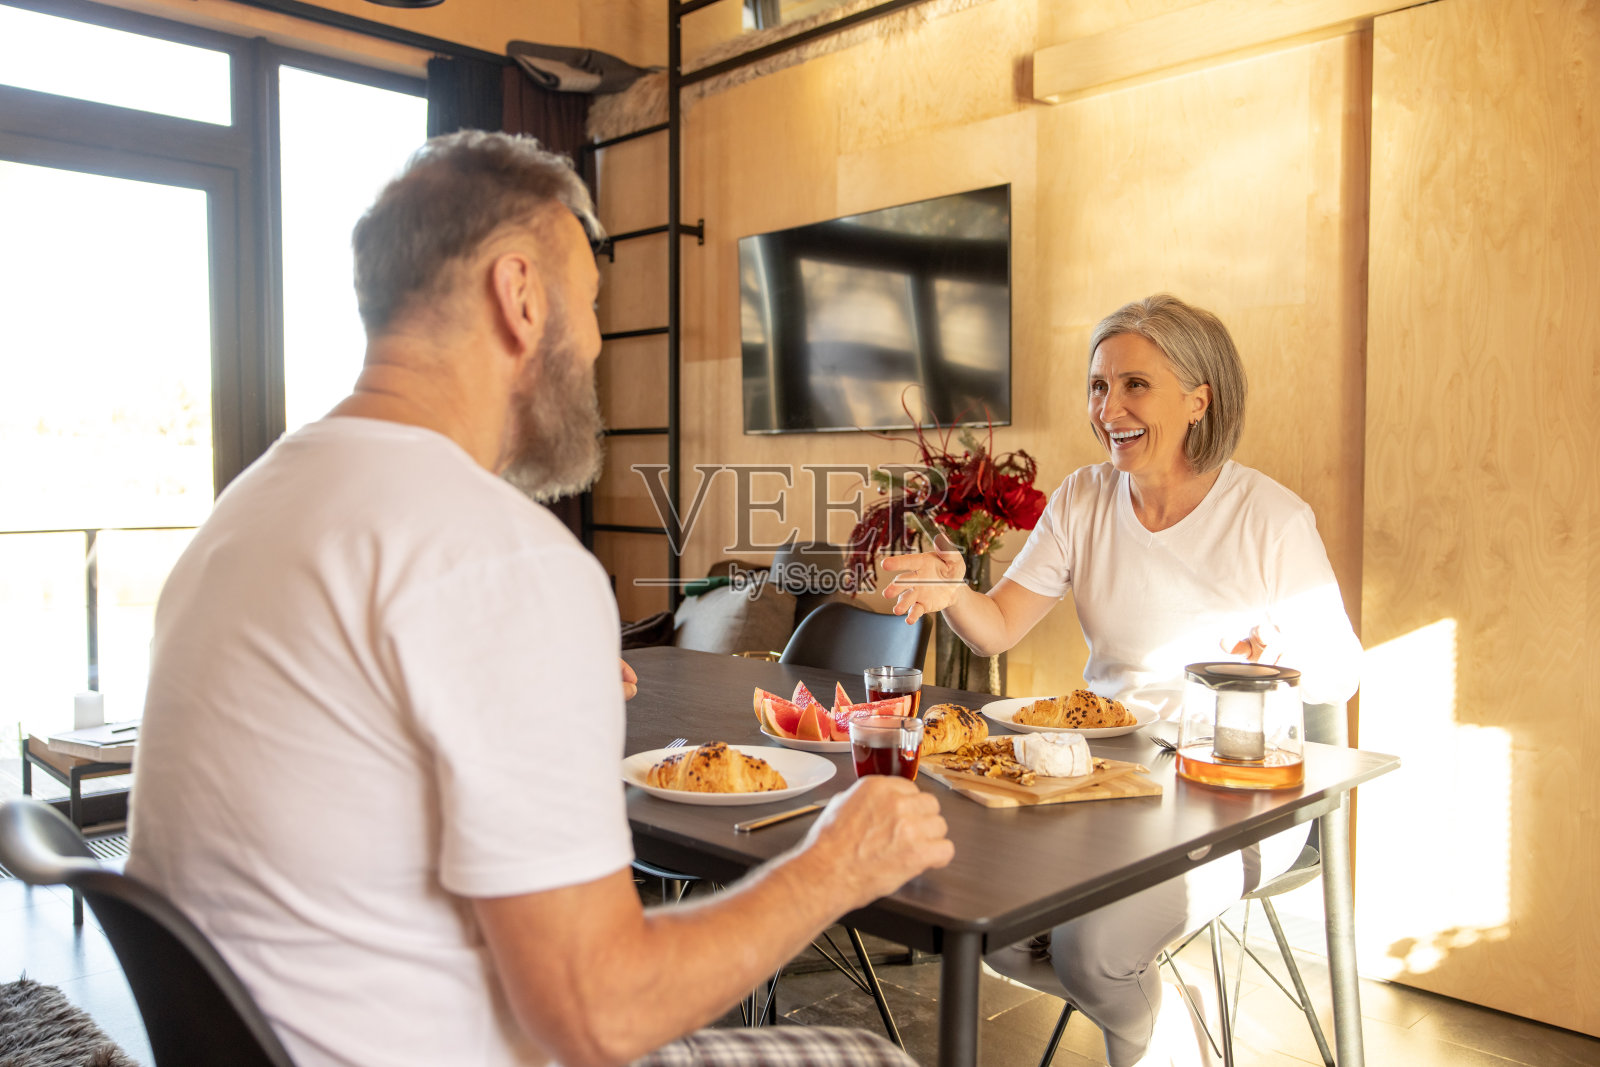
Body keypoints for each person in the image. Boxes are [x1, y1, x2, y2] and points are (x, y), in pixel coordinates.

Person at [126, 131, 952, 1067]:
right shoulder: (497, 555)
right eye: (591, 305)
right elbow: (602, 1013)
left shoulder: (246, 512)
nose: (597, 343)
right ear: (520, 295)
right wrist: (835, 863)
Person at [879, 294, 1361, 1066]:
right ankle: (1169, 1017)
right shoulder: (1083, 497)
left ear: (1199, 398)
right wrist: (953, 593)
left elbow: (1340, 675)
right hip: (1102, 779)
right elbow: (1000, 623)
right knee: (990, 921)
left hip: (1233, 795)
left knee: (1093, 950)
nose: (1110, 409)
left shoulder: (1270, 519)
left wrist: (1281, 657)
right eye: (1099, 386)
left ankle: (1149, 1014)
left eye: (1135, 385)